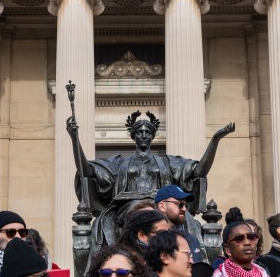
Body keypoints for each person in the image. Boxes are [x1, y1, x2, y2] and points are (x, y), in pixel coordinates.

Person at [66, 109, 234, 255]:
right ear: (134, 136)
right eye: (140, 132)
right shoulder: (119, 163)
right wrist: (75, 139)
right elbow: (87, 171)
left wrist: (215, 140)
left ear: (153, 136)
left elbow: (199, 172)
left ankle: (182, 253)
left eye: (148, 132)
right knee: (142, 211)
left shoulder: (167, 163)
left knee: (186, 218)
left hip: (159, 204)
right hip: (128, 206)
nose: (144, 135)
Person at [155, 185, 207, 263]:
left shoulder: (191, 239)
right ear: (162, 206)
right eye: (180, 204)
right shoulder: (150, 237)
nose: (184, 209)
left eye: (186, 205)